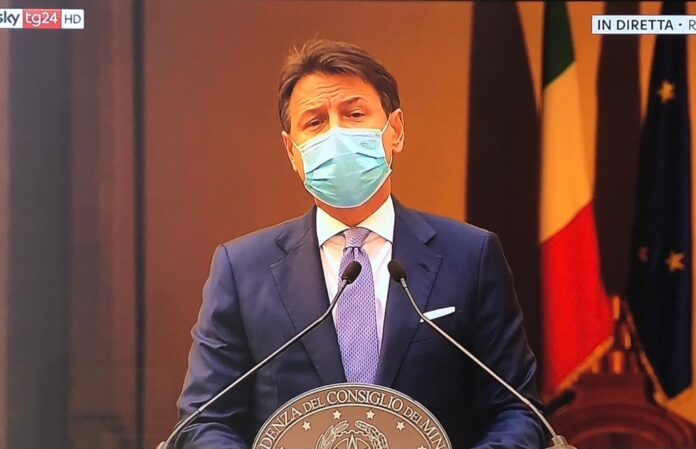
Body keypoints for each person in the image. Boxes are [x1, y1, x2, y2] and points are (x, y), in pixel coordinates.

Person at [175, 39, 545, 449]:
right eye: (315, 122)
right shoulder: (242, 269)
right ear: (292, 151)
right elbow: (203, 421)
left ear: (395, 130)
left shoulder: (471, 256)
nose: (336, 134)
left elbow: (517, 410)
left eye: (354, 114)